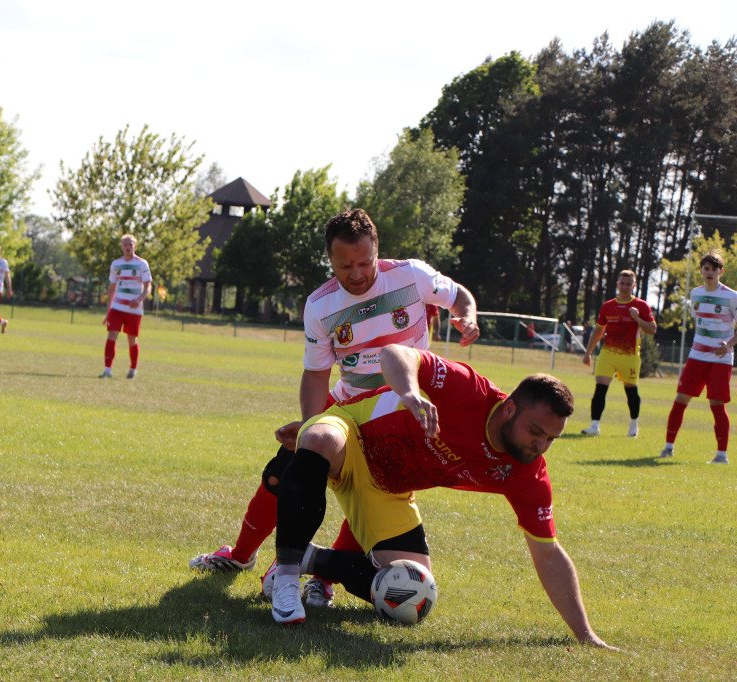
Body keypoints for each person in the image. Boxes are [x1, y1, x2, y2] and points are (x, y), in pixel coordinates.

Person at [188, 208, 480, 609]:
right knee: (284, 470)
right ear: (330, 260)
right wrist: (311, 431)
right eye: (345, 265)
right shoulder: (319, 305)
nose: (356, 273)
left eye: (364, 263)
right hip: (346, 404)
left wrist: (466, 314)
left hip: (400, 413)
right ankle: (240, 555)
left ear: (378, 252)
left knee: (369, 492)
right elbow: (315, 374)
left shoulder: (412, 275)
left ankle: (320, 577)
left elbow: (458, 294)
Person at [266, 344, 616, 650]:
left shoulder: (527, 472)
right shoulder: (469, 390)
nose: (540, 446)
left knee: (416, 592)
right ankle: (286, 575)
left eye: (550, 439)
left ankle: (312, 559)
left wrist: (585, 634)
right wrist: (410, 393)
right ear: (509, 409)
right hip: (351, 435)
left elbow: (549, 554)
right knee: (320, 439)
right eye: (536, 432)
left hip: (388, 490)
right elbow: (395, 353)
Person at [659, 250, 737, 464]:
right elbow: (700, 322)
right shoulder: (695, 294)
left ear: (721, 271)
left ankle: (721, 455)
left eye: (713, 269)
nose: (709, 272)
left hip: (721, 360)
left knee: (717, 404)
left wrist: (728, 344)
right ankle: (668, 448)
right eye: (706, 268)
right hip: (697, 356)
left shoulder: (732, 296)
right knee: (680, 400)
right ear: (701, 271)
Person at [580, 270, 657, 437]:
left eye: (629, 284)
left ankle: (633, 425)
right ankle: (594, 426)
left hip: (629, 355)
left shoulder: (641, 306)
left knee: (631, 390)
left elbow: (652, 329)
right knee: (600, 388)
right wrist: (588, 353)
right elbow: (598, 331)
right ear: (617, 285)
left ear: (634, 286)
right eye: (622, 283)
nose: (625, 287)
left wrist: (637, 318)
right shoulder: (608, 306)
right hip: (608, 353)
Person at [100, 234, 151, 379]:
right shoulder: (116, 264)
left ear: (135, 246)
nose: (128, 247)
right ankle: (107, 370)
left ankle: (133, 369)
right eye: (125, 245)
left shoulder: (142, 264)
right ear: (121, 247)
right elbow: (112, 288)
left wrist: (139, 299)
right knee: (112, 334)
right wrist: (109, 311)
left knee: (132, 339)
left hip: (134, 309)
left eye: (130, 244)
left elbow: (148, 287)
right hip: (117, 307)